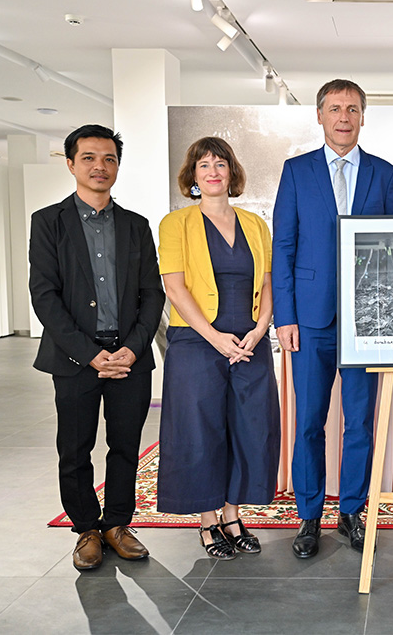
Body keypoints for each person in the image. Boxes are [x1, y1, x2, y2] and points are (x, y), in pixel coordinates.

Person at [272, 79, 393, 558]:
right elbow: (282, 247)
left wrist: (389, 316)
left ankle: (351, 510)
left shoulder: (386, 175)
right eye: (334, 108)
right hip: (308, 321)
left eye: (352, 108)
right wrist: (284, 316)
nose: (343, 116)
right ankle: (309, 517)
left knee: (359, 423)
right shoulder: (296, 171)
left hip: (367, 324)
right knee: (308, 421)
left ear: (363, 116)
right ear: (320, 116)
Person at [29, 124, 165, 571]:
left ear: (118, 166)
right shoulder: (48, 223)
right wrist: (88, 354)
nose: (99, 166)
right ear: (71, 164)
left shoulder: (136, 226)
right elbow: (44, 295)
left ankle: (118, 525)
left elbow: (152, 295)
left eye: (108, 158)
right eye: (88, 157)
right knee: (75, 447)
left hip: (130, 358)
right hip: (74, 360)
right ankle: (86, 528)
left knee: (125, 446)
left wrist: (133, 348)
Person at [156, 137, 280, 560]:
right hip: (196, 340)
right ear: (192, 176)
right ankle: (208, 521)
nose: (212, 171)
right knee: (200, 430)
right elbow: (174, 287)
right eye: (203, 164)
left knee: (248, 427)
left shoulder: (256, 224)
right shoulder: (175, 224)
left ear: (232, 172)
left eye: (220, 163)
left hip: (249, 341)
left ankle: (232, 514)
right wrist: (215, 337)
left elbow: (267, 282)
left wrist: (261, 329)